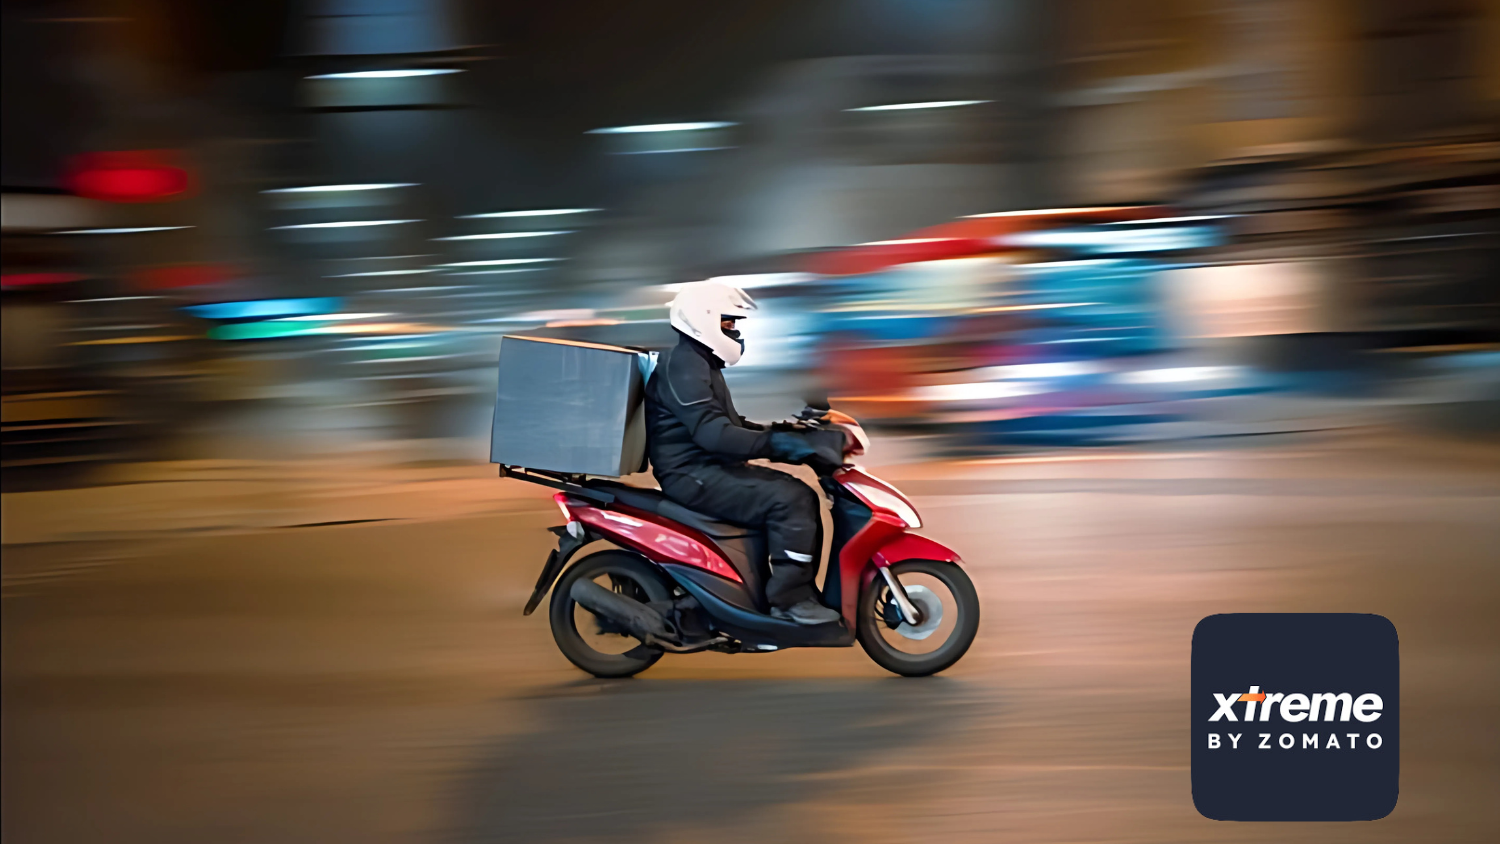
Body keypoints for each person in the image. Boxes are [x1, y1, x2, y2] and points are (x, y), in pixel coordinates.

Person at [644, 280, 845, 625]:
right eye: (728, 323)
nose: (734, 332)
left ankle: (772, 591)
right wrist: (777, 445)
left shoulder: (698, 361)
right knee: (791, 499)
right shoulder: (685, 365)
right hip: (693, 474)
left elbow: (729, 425)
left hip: (705, 468)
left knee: (794, 494)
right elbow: (714, 435)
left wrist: (784, 434)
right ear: (702, 318)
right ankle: (789, 600)